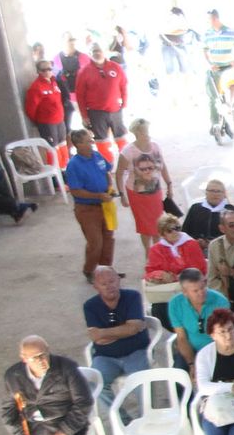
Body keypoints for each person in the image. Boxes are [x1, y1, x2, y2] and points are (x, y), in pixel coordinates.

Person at [82, 266, 149, 417]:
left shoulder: (132, 296)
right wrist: (126, 329)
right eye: (103, 284)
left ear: (119, 280)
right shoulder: (90, 306)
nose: (109, 286)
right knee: (93, 383)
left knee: (143, 382)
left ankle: (147, 418)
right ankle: (123, 420)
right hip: (105, 357)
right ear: (96, 287)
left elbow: (132, 329)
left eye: (112, 281)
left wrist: (104, 333)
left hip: (135, 352)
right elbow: (95, 337)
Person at [62, 129, 116, 280]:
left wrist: (109, 187)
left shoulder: (97, 155)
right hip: (87, 209)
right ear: (78, 144)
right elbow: (76, 191)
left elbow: (106, 171)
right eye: (88, 141)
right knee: (95, 242)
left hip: (104, 205)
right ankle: (90, 270)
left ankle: (106, 270)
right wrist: (99, 195)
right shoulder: (73, 165)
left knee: (108, 238)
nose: (92, 143)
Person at [75, 42, 129, 160]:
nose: (97, 53)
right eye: (94, 51)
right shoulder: (84, 72)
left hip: (115, 110)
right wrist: (84, 115)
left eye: (99, 50)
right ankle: (107, 166)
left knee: (121, 139)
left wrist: (124, 103)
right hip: (96, 112)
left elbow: (123, 85)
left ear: (104, 52)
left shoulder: (115, 67)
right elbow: (80, 96)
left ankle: (126, 164)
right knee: (102, 142)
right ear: (90, 54)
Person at [168, 268, 229, 371]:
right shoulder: (175, 304)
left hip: (216, 348)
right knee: (179, 375)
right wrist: (192, 364)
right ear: (185, 292)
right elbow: (182, 337)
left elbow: (224, 335)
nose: (201, 293)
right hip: (190, 348)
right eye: (195, 291)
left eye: (202, 288)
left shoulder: (220, 301)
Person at [121, 152, 167, 254]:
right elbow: (119, 174)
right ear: (136, 169)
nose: (147, 171)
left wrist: (169, 184)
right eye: (142, 169)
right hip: (137, 197)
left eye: (150, 168)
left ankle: (157, 251)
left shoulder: (155, 147)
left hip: (155, 195)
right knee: (144, 226)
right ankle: (148, 252)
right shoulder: (128, 151)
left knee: (158, 225)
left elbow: (164, 167)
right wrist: (121, 194)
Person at [24, 57, 69, 152]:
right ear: (38, 71)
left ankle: (65, 166)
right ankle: (56, 167)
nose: (47, 72)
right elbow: (31, 109)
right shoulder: (36, 87)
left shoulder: (54, 82)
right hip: (47, 123)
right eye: (44, 70)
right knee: (52, 149)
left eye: (49, 69)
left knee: (63, 145)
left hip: (60, 120)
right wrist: (41, 121)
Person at [182, 180, 233, 247]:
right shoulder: (195, 208)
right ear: (206, 192)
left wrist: (212, 243)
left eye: (218, 191)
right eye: (212, 191)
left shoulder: (230, 210)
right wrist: (195, 241)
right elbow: (185, 232)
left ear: (224, 194)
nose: (215, 194)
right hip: (196, 248)